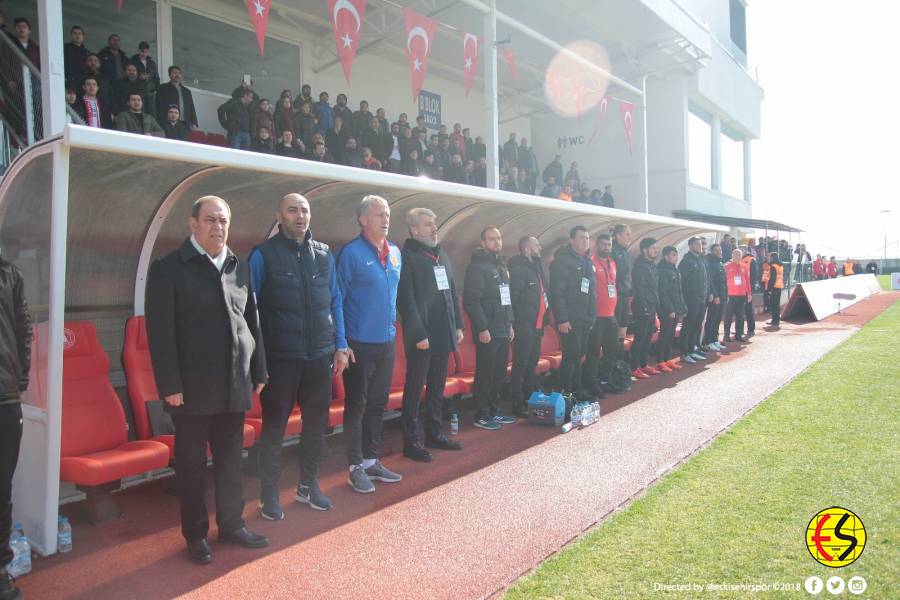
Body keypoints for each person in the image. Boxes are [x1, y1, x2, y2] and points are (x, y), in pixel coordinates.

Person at [145, 196, 269, 565]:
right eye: (210, 220)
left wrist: (259, 368)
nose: (218, 227)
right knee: (193, 466)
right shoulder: (169, 269)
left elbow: (252, 320)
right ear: (192, 224)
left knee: (232, 461)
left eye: (224, 220)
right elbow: (160, 332)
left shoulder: (238, 266)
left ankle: (232, 525)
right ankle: (195, 534)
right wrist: (170, 385)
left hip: (234, 382)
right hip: (191, 390)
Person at [249, 194, 347, 519]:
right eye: (293, 210)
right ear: (279, 216)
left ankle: (308, 486)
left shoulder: (323, 254)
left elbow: (335, 301)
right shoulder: (262, 256)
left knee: (315, 427)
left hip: (318, 356)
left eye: (304, 210)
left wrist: (341, 344)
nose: (300, 216)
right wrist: (258, 362)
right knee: (274, 430)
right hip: (280, 359)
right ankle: (268, 496)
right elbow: (251, 311)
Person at [336, 196, 403, 493]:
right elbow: (336, 299)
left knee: (378, 403)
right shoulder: (351, 253)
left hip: (386, 341)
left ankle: (370, 461)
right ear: (363, 219)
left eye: (387, 214)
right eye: (379, 215)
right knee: (357, 405)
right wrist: (341, 341)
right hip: (358, 343)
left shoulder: (396, 253)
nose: (385, 219)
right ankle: (354, 467)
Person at [397, 208, 464, 462]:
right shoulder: (407, 257)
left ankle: (434, 433)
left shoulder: (441, 255)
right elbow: (407, 300)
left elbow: (452, 292)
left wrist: (457, 325)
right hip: (422, 336)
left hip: (443, 332)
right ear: (414, 230)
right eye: (428, 225)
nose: (434, 228)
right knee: (415, 389)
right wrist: (417, 333)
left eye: (434, 224)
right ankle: (410, 440)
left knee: (437, 387)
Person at [0, 250, 32, 600]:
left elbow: (23, 328)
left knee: (0, 488)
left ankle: (1, 569)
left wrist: (19, 381)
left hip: (4, 396)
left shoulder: (8, 273)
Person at [463, 226, 516, 430]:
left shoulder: (500, 266)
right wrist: (482, 327)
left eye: (499, 238)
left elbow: (506, 298)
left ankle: (495, 410)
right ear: (483, 243)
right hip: (488, 330)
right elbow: (472, 301)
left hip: (503, 327)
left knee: (499, 372)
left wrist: (510, 322)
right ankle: (482, 414)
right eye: (492, 239)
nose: (497, 242)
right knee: (486, 372)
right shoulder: (477, 267)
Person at [550, 226, 598, 397]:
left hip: (585, 318)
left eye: (587, 237)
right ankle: (565, 392)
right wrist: (562, 319)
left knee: (579, 356)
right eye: (581, 237)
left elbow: (592, 291)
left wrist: (592, 316)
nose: (585, 240)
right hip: (570, 319)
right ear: (571, 240)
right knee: (571, 356)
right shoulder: (563, 261)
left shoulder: (586, 261)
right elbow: (557, 292)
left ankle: (577, 390)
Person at [509, 235, 550, 416]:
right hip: (525, 325)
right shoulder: (519, 270)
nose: (540, 248)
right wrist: (519, 323)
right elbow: (514, 299)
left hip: (537, 325)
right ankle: (517, 404)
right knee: (521, 364)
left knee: (531, 364)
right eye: (536, 245)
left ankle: (529, 398)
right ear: (527, 249)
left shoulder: (536, 268)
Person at [583, 234, 620, 390]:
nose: (607, 247)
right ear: (597, 245)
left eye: (609, 245)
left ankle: (605, 379)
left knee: (612, 349)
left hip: (611, 315)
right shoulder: (590, 262)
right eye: (604, 244)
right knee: (593, 352)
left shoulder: (612, 262)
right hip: (596, 317)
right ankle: (591, 382)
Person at [629, 238, 659, 378]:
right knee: (640, 337)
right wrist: (645, 307)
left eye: (655, 248)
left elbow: (654, 288)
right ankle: (634, 367)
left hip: (652, 305)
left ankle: (643, 364)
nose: (655, 250)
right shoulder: (640, 266)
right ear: (644, 250)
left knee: (648, 337)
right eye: (653, 248)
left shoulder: (652, 265)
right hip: (642, 306)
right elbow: (639, 289)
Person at [679, 237, 711, 362]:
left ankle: (692, 349)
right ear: (690, 246)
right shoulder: (686, 261)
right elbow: (683, 282)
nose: (700, 246)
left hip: (702, 299)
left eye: (700, 244)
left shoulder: (701, 260)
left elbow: (706, 278)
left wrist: (708, 293)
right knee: (688, 326)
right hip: (691, 300)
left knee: (696, 326)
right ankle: (685, 352)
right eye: (697, 244)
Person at [656, 246, 686, 371]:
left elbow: (678, 292)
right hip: (667, 310)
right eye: (673, 255)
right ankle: (660, 361)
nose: (676, 257)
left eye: (676, 254)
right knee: (664, 335)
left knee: (670, 335)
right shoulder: (662, 270)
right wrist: (670, 309)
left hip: (676, 308)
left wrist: (682, 307)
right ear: (666, 256)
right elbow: (663, 292)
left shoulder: (675, 270)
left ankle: (667, 359)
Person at [610, 224, 633, 358]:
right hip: (615, 297)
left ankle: (619, 361)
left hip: (624, 296)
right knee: (614, 331)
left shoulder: (625, 252)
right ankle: (613, 364)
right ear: (617, 235)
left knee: (623, 329)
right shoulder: (612, 251)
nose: (630, 237)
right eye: (627, 234)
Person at [722, 249, 752, 343]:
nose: (737, 256)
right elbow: (722, 281)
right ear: (732, 255)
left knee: (740, 316)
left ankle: (738, 334)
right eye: (735, 254)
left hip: (741, 295)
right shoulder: (726, 266)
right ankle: (726, 335)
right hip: (730, 295)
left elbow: (747, 280)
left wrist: (749, 293)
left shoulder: (745, 266)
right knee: (728, 316)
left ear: (741, 256)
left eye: (739, 255)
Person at [702, 243, 726, 352]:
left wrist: (725, 295)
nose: (719, 252)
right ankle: (708, 342)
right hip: (715, 297)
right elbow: (710, 281)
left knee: (717, 320)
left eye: (720, 250)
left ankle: (715, 340)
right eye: (716, 250)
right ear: (712, 252)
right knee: (711, 320)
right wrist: (715, 295)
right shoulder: (710, 263)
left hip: (722, 296)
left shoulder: (720, 263)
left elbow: (723, 281)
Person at [131, 41, 159, 116]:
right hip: (138, 92)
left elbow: (156, 78)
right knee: (139, 113)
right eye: (142, 51)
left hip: (151, 93)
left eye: (146, 52)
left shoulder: (152, 63)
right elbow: (130, 77)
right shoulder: (133, 61)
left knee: (152, 114)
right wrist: (139, 77)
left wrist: (157, 90)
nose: (144, 54)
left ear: (148, 52)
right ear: (139, 51)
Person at [741, 250, 759, 337]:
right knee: (739, 311)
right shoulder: (738, 260)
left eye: (742, 249)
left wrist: (750, 290)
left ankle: (751, 329)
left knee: (748, 310)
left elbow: (754, 276)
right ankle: (740, 330)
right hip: (738, 290)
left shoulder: (751, 260)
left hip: (747, 290)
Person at [765, 253, 785, 327]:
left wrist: (769, 289)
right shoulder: (780, 266)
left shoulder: (773, 266)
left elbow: (772, 279)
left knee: (773, 305)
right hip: (779, 286)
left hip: (774, 287)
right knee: (776, 304)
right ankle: (776, 319)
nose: (769, 258)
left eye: (770, 257)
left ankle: (774, 320)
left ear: (772, 258)